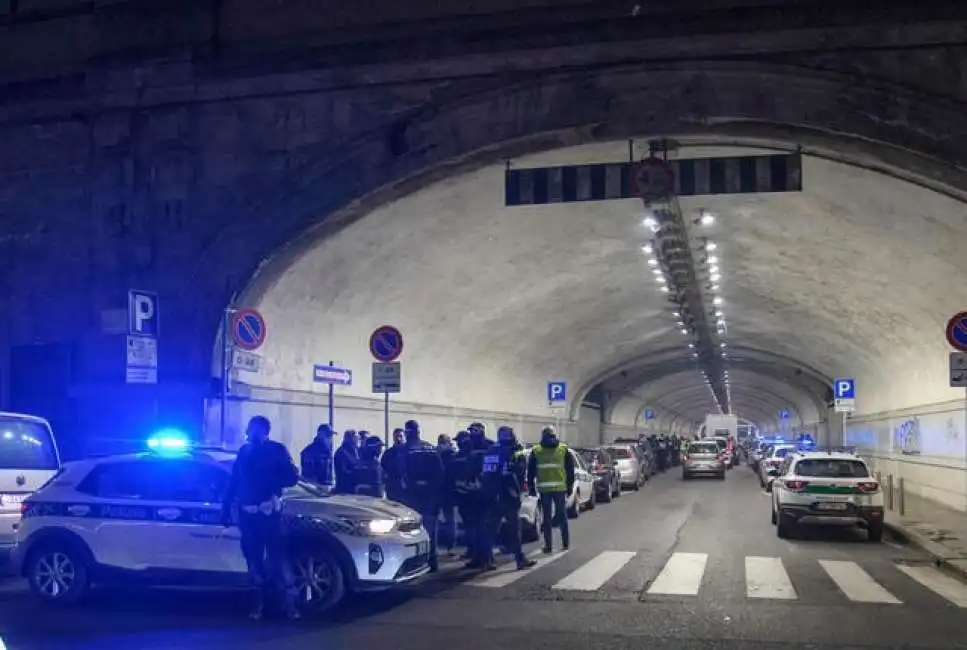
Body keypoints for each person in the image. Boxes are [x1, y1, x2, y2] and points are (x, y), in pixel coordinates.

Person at [222, 415, 301, 621]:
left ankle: (290, 606)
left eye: (254, 429)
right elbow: (234, 480)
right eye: (249, 429)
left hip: (270, 514)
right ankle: (257, 606)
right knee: (253, 561)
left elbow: (293, 476)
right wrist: (225, 507)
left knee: (279, 560)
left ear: (265, 431)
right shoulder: (244, 451)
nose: (250, 433)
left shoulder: (276, 450)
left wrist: (274, 490)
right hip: (248, 515)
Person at [480, 426, 536, 571]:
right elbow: (520, 469)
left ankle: (487, 560)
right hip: (508, 495)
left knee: (491, 529)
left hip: (493, 495)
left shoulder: (491, 450)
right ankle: (519, 559)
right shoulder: (515, 450)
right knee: (513, 529)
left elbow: (485, 473)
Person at [398, 420, 445, 571]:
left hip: (412, 496)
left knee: (412, 530)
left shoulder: (405, 450)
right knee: (431, 529)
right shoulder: (431, 448)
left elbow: (400, 473)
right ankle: (433, 561)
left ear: (407, 432)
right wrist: (432, 487)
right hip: (431, 496)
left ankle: (416, 561)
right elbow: (440, 472)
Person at [527, 425, 574, 554]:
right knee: (562, 516)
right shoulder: (563, 449)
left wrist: (531, 487)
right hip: (560, 488)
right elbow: (570, 471)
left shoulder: (536, 450)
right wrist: (570, 486)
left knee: (546, 518)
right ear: (554, 435)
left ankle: (548, 546)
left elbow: (530, 471)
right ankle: (565, 543)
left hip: (544, 489)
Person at [450, 430, 485, 566]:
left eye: (460, 441)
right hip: (465, 497)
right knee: (471, 526)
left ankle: (478, 554)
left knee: (475, 527)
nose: (458, 444)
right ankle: (474, 552)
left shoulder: (475, 455)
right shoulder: (461, 455)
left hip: (473, 497)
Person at [437, 434, 458, 556]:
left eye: (442, 442)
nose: (440, 445)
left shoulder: (450, 456)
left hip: (447, 492)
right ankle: (448, 545)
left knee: (450, 520)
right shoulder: (439, 455)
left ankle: (451, 545)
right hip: (441, 492)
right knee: (446, 520)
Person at [381, 428, 406, 502]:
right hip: (392, 487)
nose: (398, 439)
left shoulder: (408, 452)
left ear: (404, 437)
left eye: (401, 436)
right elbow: (383, 469)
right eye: (396, 436)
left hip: (406, 488)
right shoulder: (388, 453)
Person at [333, 430, 360, 494]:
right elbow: (343, 471)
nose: (357, 440)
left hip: (354, 488)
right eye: (355, 438)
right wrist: (358, 473)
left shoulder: (355, 451)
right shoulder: (342, 452)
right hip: (344, 489)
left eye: (357, 438)